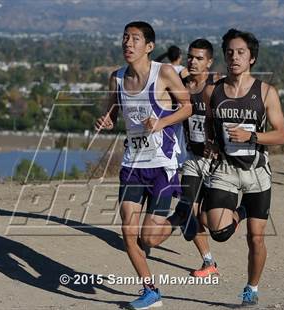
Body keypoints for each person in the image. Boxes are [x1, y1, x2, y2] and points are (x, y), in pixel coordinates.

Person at [95, 21, 191, 310]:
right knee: (128, 231)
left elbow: (187, 107)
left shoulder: (162, 74)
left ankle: (181, 216)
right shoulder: (117, 77)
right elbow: (111, 109)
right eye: (125, 38)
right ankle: (151, 291)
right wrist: (107, 119)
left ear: (149, 47)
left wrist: (161, 121)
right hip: (132, 164)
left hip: (162, 163)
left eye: (135, 39)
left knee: (149, 236)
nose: (128, 43)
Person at [202, 28, 284, 306]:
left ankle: (252, 286)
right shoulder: (212, 91)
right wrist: (211, 142)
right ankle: (240, 211)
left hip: (256, 173)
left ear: (251, 58)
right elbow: (207, 123)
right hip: (226, 170)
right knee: (219, 231)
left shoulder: (265, 92)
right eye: (229, 52)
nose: (234, 57)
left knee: (256, 238)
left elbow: (281, 135)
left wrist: (252, 136)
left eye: (241, 52)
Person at [175, 39, 222, 278]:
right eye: (190, 57)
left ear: (209, 62)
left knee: (214, 222)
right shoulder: (180, 85)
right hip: (193, 158)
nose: (193, 61)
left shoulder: (217, 87)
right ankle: (208, 261)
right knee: (187, 209)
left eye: (199, 58)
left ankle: (242, 212)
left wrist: (218, 145)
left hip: (218, 162)